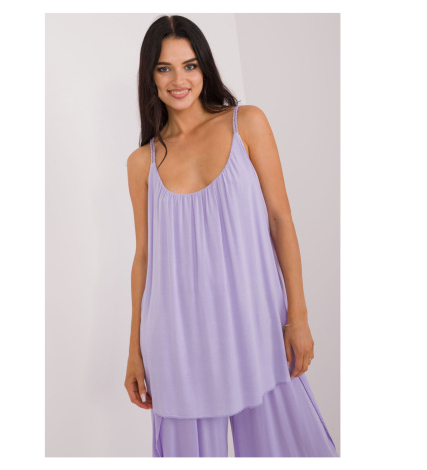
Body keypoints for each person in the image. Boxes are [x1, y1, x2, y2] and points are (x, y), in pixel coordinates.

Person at [125, 15, 339, 458]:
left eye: (189, 65)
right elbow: (143, 256)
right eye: (164, 68)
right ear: (150, 76)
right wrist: (134, 351)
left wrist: (297, 317)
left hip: (258, 325)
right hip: (176, 339)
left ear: (204, 67)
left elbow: (280, 220)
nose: (179, 80)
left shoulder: (247, 124)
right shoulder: (142, 163)